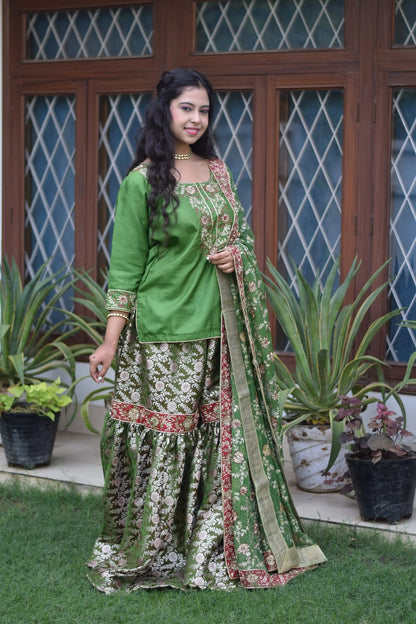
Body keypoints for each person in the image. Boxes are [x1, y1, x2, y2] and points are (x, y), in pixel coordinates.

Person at [87, 68, 326, 593]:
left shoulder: (218, 171)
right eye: (186, 108)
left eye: (204, 111)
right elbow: (125, 267)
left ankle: (208, 543)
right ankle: (155, 549)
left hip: (220, 328)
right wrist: (110, 338)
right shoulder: (141, 180)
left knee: (212, 440)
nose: (196, 119)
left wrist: (237, 254)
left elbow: (241, 236)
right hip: (163, 330)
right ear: (164, 110)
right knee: (168, 440)